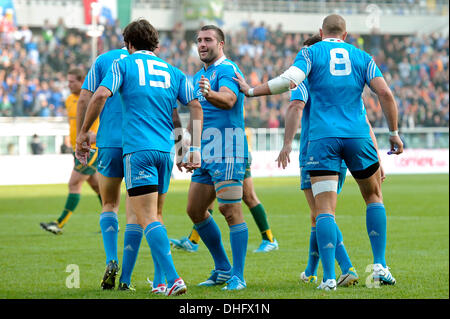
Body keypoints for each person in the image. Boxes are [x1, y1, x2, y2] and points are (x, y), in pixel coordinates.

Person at [234, 14, 403, 290]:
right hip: (358, 136)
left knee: (324, 209)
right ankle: (380, 266)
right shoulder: (362, 56)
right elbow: (385, 94)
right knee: (373, 197)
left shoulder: (311, 53)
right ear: (345, 36)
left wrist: (251, 91)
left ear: (320, 32)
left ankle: (327, 278)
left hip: (323, 138)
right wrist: (394, 132)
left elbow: (289, 81)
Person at [76, 18, 203, 296]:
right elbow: (194, 105)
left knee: (139, 214)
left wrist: (84, 131)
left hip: (137, 150)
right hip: (165, 151)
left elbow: (96, 95)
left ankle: (173, 278)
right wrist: (190, 147)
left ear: (129, 44)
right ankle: (157, 282)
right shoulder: (173, 71)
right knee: (154, 214)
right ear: (156, 43)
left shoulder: (121, 63)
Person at [183, 25, 249, 291]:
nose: (202, 44)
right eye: (198, 40)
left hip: (229, 148)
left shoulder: (227, 70)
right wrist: (187, 147)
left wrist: (210, 93)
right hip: (206, 151)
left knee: (230, 210)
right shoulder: (201, 74)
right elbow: (197, 115)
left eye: (208, 40)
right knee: (195, 210)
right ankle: (223, 268)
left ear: (221, 43)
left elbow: (230, 100)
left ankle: (239, 276)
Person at [170, 131, 278, 253]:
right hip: (212, 152)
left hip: (233, 151)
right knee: (206, 200)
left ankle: (269, 239)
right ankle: (193, 241)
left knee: (248, 197)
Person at [40, 68, 101, 235]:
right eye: (68, 81)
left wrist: (98, 138)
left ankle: (59, 223)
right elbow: (73, 125)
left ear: (82, 82)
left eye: (72, 81)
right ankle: (111, 223)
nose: (68, 84)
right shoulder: (68, 100)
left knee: (74, 183)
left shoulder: (92, 99)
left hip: (91, 149)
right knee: (96, 187)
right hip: (78, 148)